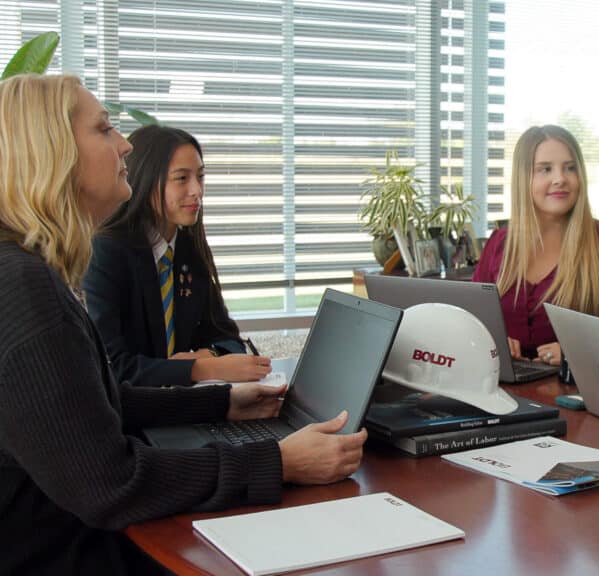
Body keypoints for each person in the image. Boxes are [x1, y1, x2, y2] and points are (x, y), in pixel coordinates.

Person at [0, 74, 368, 575]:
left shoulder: (23, 271)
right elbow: (110, 483)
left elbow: (93, 405)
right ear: (53, 153)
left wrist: (222, 401)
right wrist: (279, 463)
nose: (125, 142)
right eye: (105, 129)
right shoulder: (23, 290)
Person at [83, 124, 268, 388]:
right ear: (145, 181)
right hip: (132, 415)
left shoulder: (187, 249)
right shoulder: (106, 253)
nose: (197, 191)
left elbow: (228, 338)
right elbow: (114, 368)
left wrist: (211, 354)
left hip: (180, 406)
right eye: (182, 178)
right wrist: (199, 368)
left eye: (200, 176)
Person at [473, 125, 599, 366]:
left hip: (582, 390)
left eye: (570, 168)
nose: (560, 179)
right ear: (524, 179)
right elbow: (474, 321)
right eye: (545, 169)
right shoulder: (500, 243)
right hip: (503, 387)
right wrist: (494, 338)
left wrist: (582, 351)